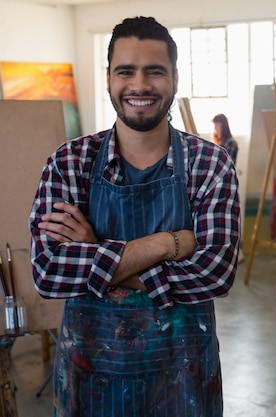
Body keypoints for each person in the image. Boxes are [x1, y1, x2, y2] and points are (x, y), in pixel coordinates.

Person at [29, 16, 239, 417]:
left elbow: (214, 273)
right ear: (109, 77)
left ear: (175, 78)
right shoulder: (69, 162)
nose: (140, 86)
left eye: (154, 72)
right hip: (89, 379)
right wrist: (166, 244)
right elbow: (48, 270)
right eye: (126, 71)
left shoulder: (210, 165)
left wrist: (93, 254)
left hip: (183, 377)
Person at [211, 113, 244, 264]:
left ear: (223, 126)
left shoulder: (230, 143)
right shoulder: (221, 143)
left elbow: (224, 167)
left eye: (217, 126)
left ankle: (235, 253)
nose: (216, 129)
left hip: (225, 187)